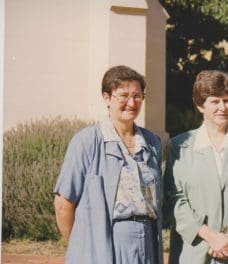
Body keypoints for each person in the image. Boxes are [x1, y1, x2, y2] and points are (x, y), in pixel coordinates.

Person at [53, 65, 163, 264]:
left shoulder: (152, 143)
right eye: (123, 95)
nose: (131, 102)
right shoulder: (86, 142)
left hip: (147, 243)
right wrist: (82, 245)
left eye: (137, 95)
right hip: (106, 243)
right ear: (106, 98)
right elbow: (63, 204)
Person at [165, 70, 228, 263]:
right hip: (192, 253)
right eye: (214, 101)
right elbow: (174, 199)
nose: (222, 107)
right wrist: (211, 237)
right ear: (200, 105)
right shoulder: (179, 147)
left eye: (226, 100)